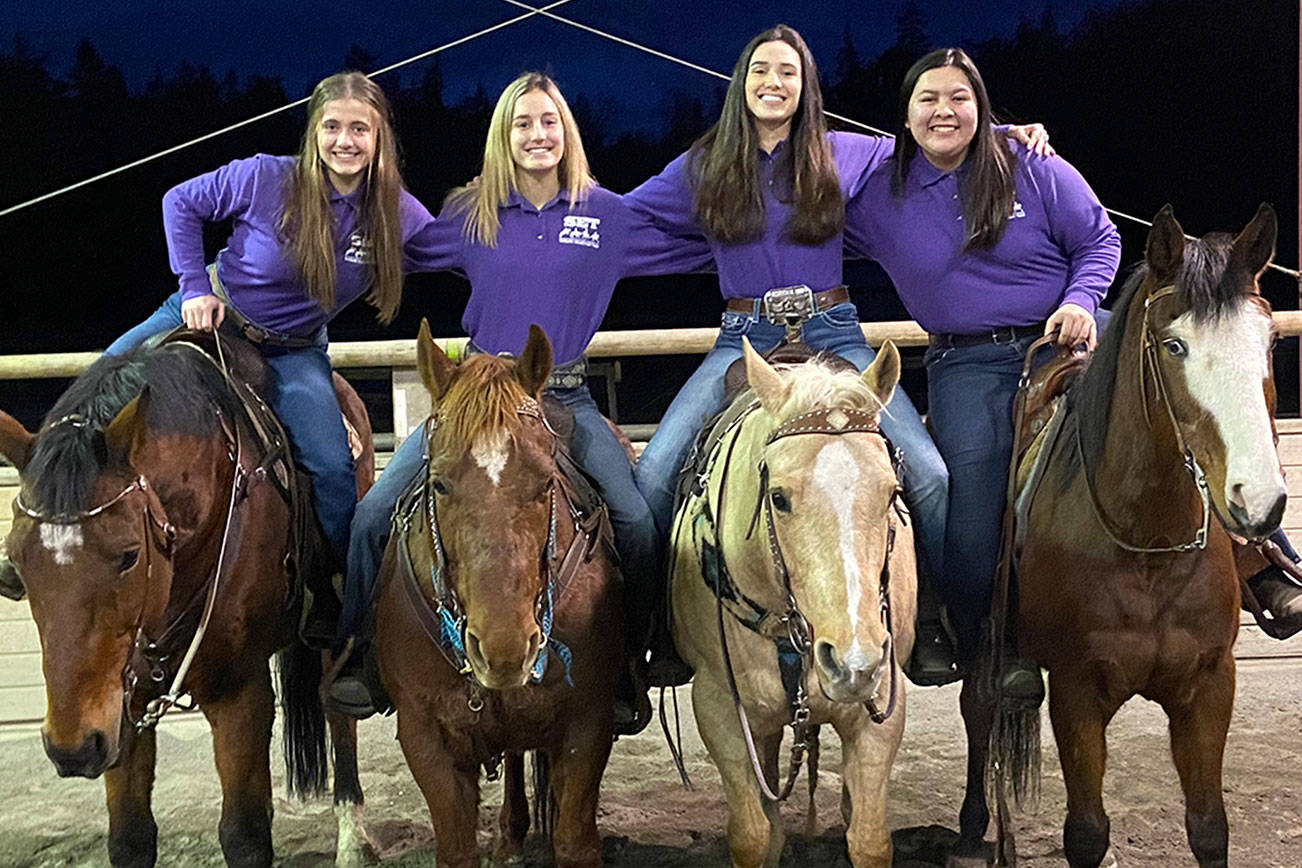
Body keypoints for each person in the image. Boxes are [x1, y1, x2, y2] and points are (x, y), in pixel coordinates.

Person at [623, 25, 1048, 685]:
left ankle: (941, 626)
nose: (773, 83)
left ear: (805, 85)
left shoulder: (843, 152)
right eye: (761, 70)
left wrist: (1003, 134)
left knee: (930, 474)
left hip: (835, 330)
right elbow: (622, 216)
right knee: (653, 476)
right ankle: (652, 637)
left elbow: (931, 148)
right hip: (745, 336)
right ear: (742, 82)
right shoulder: (702, 164)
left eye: (787, 73)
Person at [328, 72, 713, 727]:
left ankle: (636, 662)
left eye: (548, 122)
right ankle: (360, 657)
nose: (537, 135)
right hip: (475, 400)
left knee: (639, 521)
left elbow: (699, 249)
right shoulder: (469, 213)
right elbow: (385, 245)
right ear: (502, 137)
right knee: (372, 518)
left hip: (564, 394)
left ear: (567, 132)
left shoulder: (606, 214)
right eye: (522, 124)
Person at [843, 48, 1121, 704]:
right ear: (905, 117)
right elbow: (798, 195)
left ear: (982, 107)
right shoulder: (880, 192)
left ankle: (1268, 559)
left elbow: (1101, 240)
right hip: (968, 361)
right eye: (928, 99)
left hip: (1071, 334)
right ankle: (987, 640)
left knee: (1189, 394)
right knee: (969, 526)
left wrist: (1080, 300)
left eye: (959, 99)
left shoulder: (1032, 164)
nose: (945, 110)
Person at [98, 72, 434, 575]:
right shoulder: (265, 177)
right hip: (215, 317)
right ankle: (38, 540)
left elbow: (458, 250)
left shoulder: (395, 212)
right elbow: (180, 202)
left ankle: (347, 598)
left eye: (360, 129)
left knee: (331, 467)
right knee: (98, 387)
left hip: (291, 351)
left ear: (379, 135)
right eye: (332, 127)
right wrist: (194, 287)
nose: (345, 141)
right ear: (314, 132)